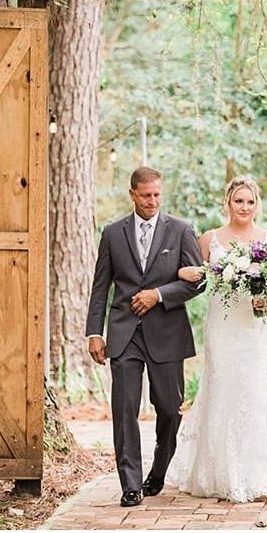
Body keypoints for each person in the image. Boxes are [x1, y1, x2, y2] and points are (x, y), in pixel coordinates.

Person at [165, 175, 267, 502]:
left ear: (257, 204)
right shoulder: (210, 239)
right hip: (222, 325)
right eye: (239, 201)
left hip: (256, 326)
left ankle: (261, 472)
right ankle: (217, 473)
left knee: (255, 386)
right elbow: (186, 271)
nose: (245, 207)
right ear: (228, 202)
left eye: (250, 202)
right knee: (221, 385)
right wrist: (185, 273)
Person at [84, 166, 205, 507]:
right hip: (124, 335)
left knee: (169, 409)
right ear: (132, 194)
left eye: (157, 195)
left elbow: (199, 281)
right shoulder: (112, 233)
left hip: (167, 333)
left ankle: (159, 470)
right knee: (124, 410)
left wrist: (159, 294)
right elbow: (100, 287)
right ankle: (131, 484)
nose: (152, 201)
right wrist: (95, 332)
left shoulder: (180, 230)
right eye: (146, 195)